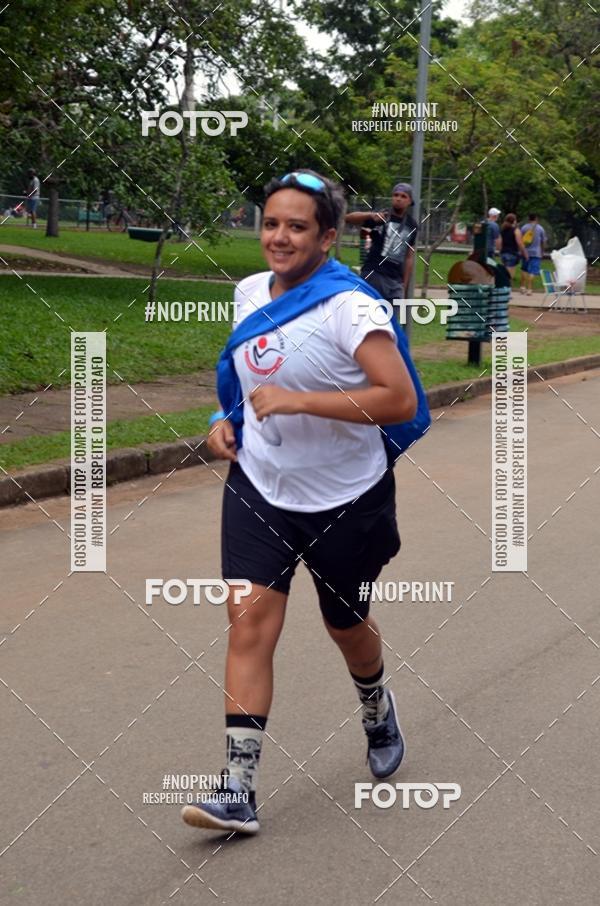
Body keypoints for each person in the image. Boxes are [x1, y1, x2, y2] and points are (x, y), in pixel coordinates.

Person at [181, 169, 418, 835]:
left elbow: (397, 399)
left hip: (346, 497)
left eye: (296, 226)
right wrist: (221, 418)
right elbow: (244, 370)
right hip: (261, 485)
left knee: (346, 626)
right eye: (271, 223)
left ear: (328, 237)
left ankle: (375, 703)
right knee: (248, 621)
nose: (279, 237)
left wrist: (300, 401)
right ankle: (238, 788)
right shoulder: (250, 292)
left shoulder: (352, 307)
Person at [345, 182, 417, 306]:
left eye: (403, 196)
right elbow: (348, 218)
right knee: (366, 318)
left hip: (395, 281)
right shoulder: (381, 216)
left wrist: (404, 285)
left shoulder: (412, 224)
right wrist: (370, 215)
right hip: (374, 274)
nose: (398, 199)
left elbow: (409, 256)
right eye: (396, 195)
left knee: (390, 323)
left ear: (410, 201)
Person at [519, 213, 546, 295]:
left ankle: (522, 287)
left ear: (528, 219)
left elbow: (520, 240)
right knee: (532, 271)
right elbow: (543, 241)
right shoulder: (540, 228)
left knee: (524, 269)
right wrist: (542, 251)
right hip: (536, 252)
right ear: (536, 218)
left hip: (525, 252)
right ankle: (529, 289)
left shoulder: (524, 227)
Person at [499, 213, 528, 280]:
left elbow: (500, 242)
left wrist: (500, 251)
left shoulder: (503, 230)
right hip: (512, 252)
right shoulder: (516, 230)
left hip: (503, 252)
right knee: (510, 275)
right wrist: (524, 253)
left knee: (504, 272)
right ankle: (508, 287)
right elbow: (519, 243)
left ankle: (504, 286)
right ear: (514, 221)